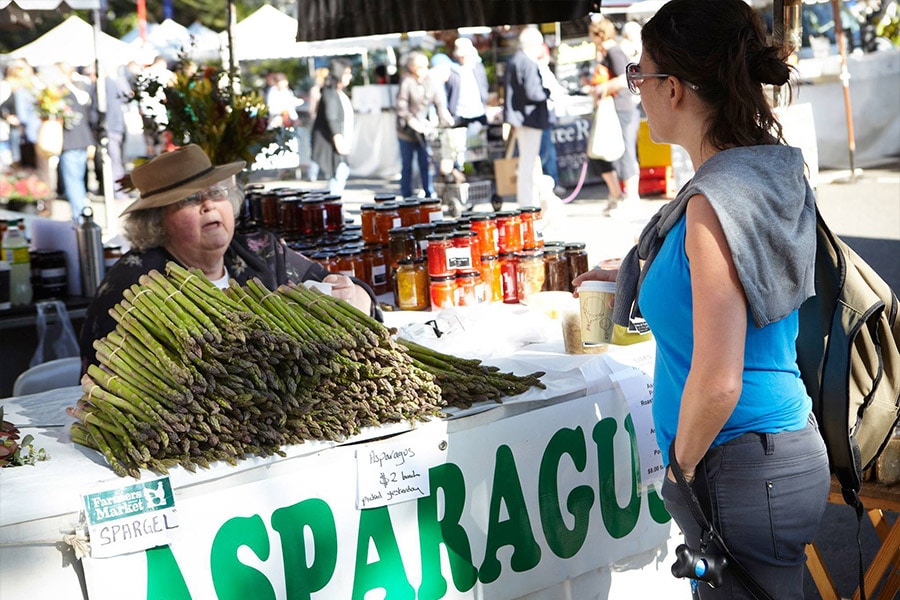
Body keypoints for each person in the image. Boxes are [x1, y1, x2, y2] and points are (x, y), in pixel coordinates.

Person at [574, 1, 829, 597]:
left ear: (676, 89)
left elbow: (719, 380)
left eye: (640, 74)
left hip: (741, 465)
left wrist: (678, 473)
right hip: (770, 456)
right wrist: (637, 268)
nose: (635, 88)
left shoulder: (713, 202)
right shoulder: (761, 172)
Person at [79, 144, 380, 372]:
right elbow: (104, 373)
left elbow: (341, 286)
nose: (209, 205)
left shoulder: (261, 251)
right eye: (190, 199)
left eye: (216, 192)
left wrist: (353, 296)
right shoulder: (134, 285)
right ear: (157, 222)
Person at [587, 17, 641, 212]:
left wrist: (602, 88)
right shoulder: (605, 52)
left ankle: (631, 197)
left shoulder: (614, 51)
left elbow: (625, 78)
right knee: (601, 152)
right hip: (611, 108)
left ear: (599, 34)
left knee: (625, 151)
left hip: (622, 107)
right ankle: (616, 194)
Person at [503, 27, 551, 209]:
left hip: (520, 117)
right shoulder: (528, 62)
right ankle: (528, 202)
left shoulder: (515, 60)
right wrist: (547, 92)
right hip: (529, 118)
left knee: (529, 160)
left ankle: (531, 199)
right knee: (528, 162)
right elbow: (533, 92)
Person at [395, 51, 451, 198]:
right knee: (407, 164)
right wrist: (411, 121)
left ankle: (428, 192)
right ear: (411, 67)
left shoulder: (429, 80)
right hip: (406, 132)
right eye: (419, 66)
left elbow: (438, 100)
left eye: (425, 66)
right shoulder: (406, 81)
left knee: (425, 162)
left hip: (424, 130)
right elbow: (401, 106)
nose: (423, 70)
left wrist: (443, 113)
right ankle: (406, 194)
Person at [311, 60, 354, 196]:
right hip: (332, 144)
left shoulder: (336, 92)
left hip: (339, 142)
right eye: (347, 73)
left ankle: (334, 208)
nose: (350, 76)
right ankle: (334, 209)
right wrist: (338, 138)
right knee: (338, 175)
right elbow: (331, 117)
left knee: (340, 174)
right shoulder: (330, 93)